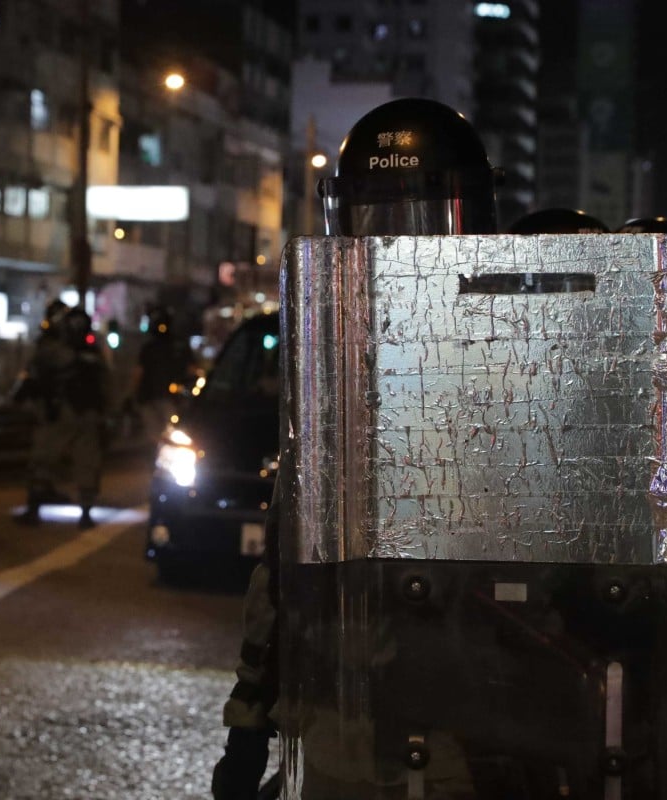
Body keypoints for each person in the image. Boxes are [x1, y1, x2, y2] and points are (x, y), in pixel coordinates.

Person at [212, 97, 501, 799]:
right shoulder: (337, 375)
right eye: (375, 222)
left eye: (421, 221)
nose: (398, 251)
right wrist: (249, 721)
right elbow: (284, 565)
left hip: (473, 740)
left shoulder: (513, 368)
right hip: (337, 734)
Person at [16, 305, 111, 529]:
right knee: (87, 462)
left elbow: (34, 376)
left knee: (43, 459)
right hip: (87, 414)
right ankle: (85, 514)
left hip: (60, 413)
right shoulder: (94, 354)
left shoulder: (53, 351)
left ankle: (34, 509)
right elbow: (106, 386)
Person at [130, 306, 196, 443]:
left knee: (161, 436)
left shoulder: (151, 347)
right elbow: (192, 370)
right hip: (163, 398)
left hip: (162, 398)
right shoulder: (177, 346)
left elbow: (138, 373)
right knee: (169, 435)